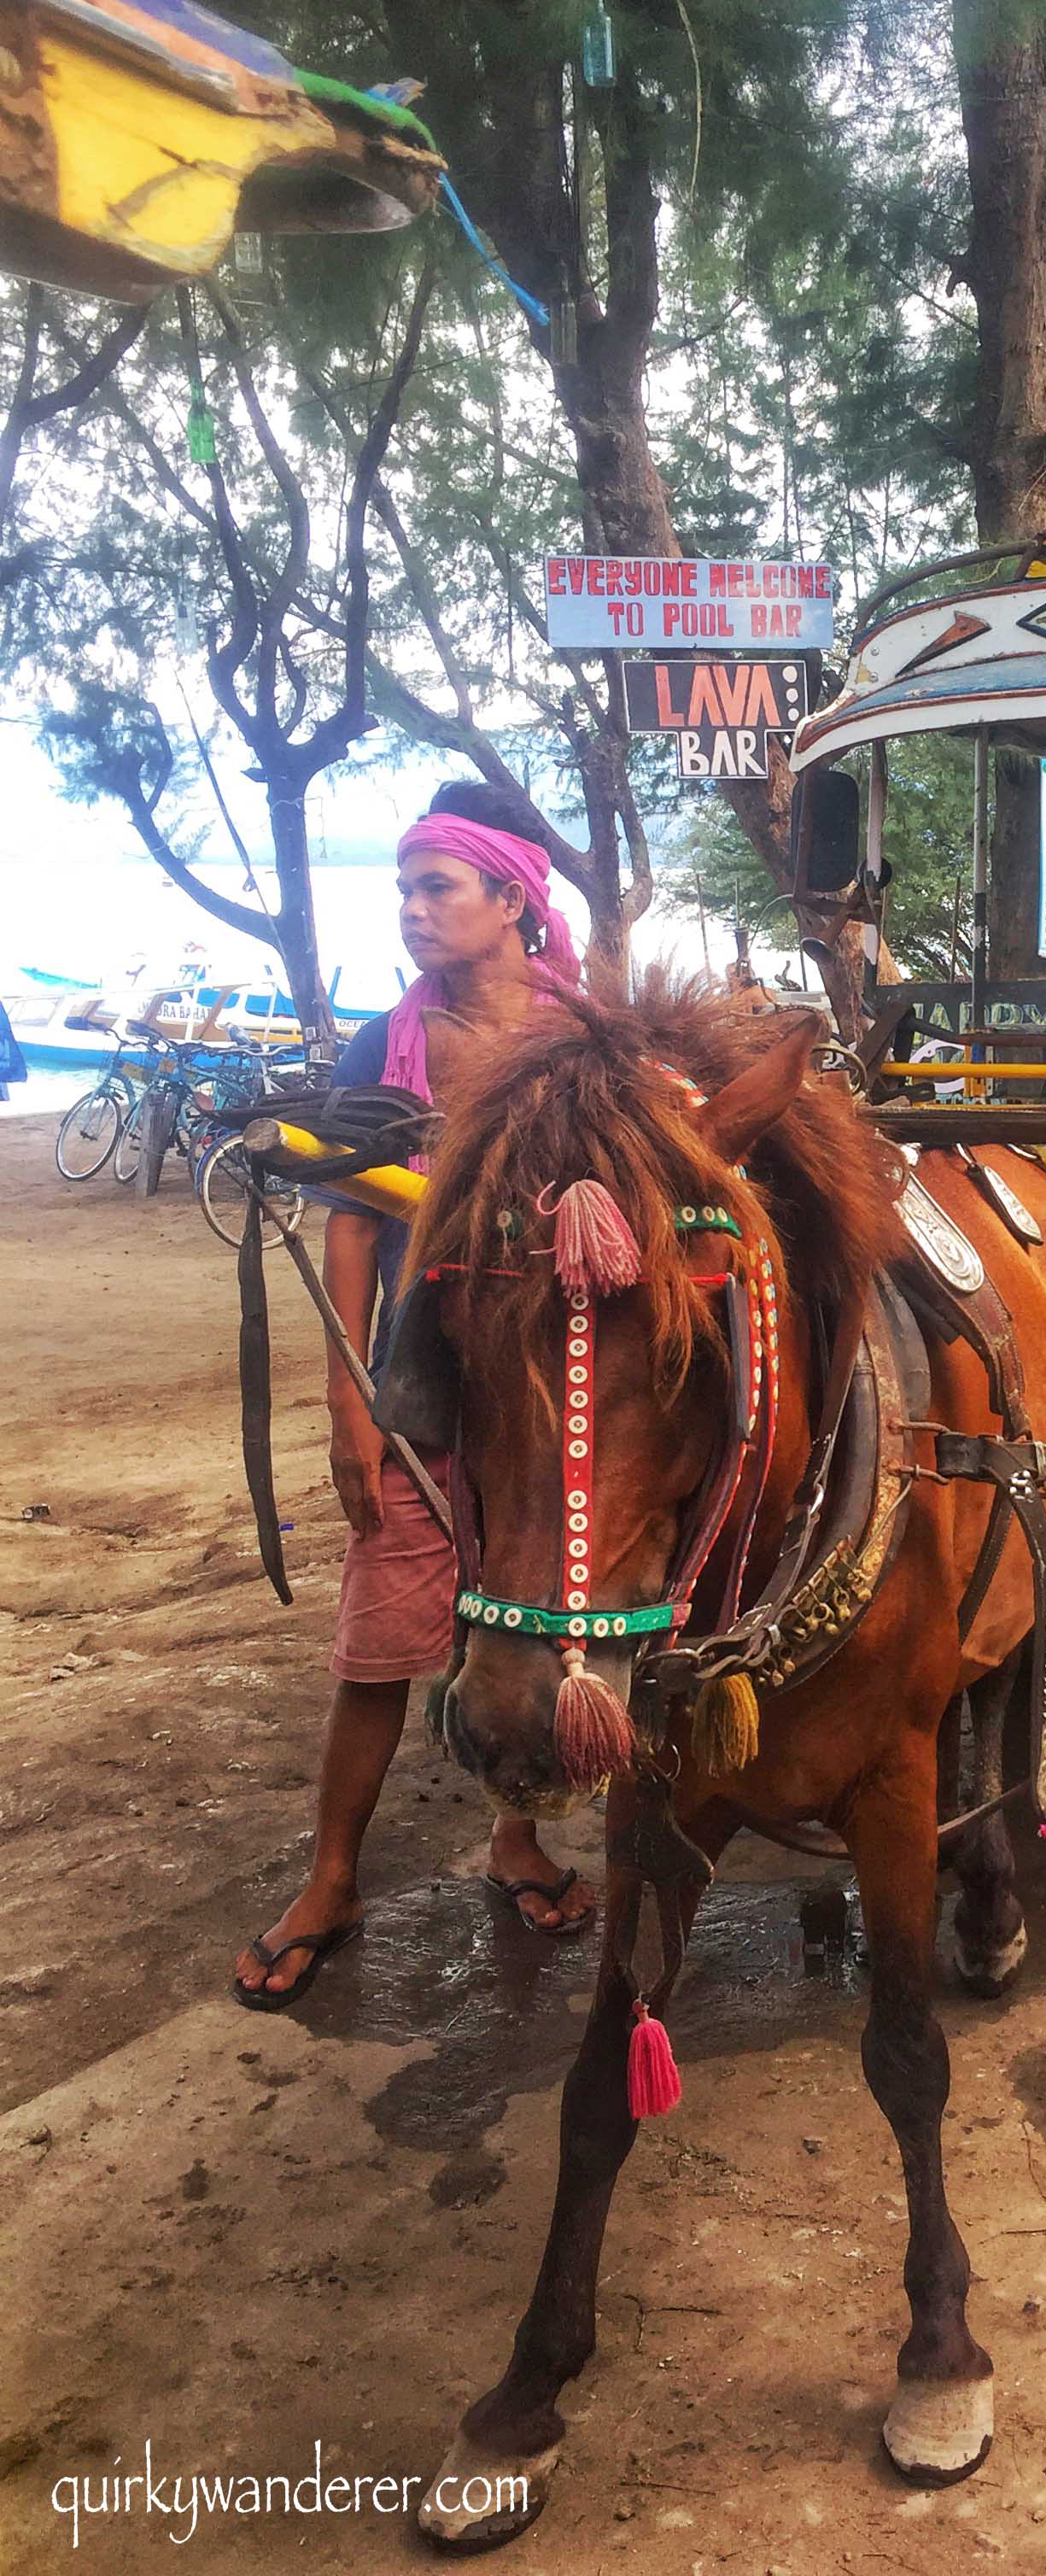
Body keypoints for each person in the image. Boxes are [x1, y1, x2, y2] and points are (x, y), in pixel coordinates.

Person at [233, 782, 597, 2007]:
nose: (411, 911)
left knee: (528, 1623)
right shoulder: (385, 1045)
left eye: (435, 886)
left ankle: (515, 1838)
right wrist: (350, 1399)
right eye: (402, 889)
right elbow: (349, 1225)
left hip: (553, 1391)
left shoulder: (583, 1033)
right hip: (423, 1380)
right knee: (380, 1643)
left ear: (513, 899)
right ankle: (332, 1875)